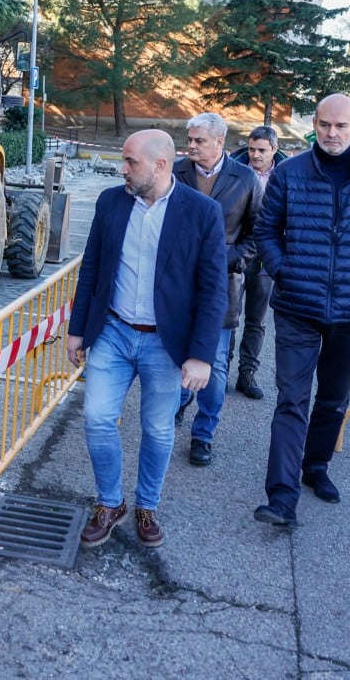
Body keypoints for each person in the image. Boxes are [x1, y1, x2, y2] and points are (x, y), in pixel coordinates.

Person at [253, 94, 350, 528]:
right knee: (291, 400)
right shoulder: (289, 172)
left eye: (341, 126)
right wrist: (283, 270)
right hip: (297, 306)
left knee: (334, 397)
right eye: (324, 125)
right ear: (315, 126)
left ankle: (315, 466)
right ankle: (281, 498)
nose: (332, 133)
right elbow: (266, 230)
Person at [66, 129, 227, 549]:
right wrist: (77, 328)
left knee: (157, 430)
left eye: (130, 161)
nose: (122, 169)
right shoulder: (111, 202)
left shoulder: (202, 213)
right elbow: (92, 270)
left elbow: (214, 291)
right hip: (113, 333)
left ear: (160, 165)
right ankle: (110, 502)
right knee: (97, 418)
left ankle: (146, 506)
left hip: (165, 344)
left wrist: (201, 356)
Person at [171, 113, 262, 467]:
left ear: (219, 142)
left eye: (199, 141)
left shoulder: (246, 177)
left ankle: (203, 435)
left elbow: (258, 232)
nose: (191, 146)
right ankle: (174, 409)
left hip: (223, 286)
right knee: (175, 358)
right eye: (190, 139)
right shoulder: (176, 172)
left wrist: (232, 258)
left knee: (216, 369)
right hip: (177, 284)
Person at [228, 125, 287, 399]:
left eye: (261, 150)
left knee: (256, 320)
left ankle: (247, 373)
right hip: (237, 254)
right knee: (227, 316)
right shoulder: (234, 169)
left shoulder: (286, 173)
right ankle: (220, 369)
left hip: (265, 259)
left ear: (274, 149)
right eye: (251, 149)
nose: (255, 155)